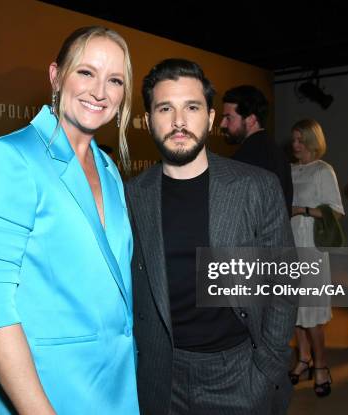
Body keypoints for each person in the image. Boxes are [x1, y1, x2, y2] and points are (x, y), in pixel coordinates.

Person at [0, 26, 138, 415]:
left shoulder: (108, 168)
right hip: (48, 389)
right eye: (86, 72)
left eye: (115, 80)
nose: (100, 92)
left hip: (119, 386)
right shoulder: (6, 158)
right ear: (56, 76)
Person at [128, 58, 297, 415]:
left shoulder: (256, 186)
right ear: (147, 120)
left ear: (209, 116)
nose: (178, 121)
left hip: (238, 372)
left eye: (192, 107)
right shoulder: (131, 196)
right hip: (160, 376)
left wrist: (266, 366)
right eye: (165, 108)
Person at [287, 119, 344, 397]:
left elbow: (336, 212)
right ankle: (303, 359)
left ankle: (321, 364)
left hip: (311, 248)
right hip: (290, 247)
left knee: (312, 313)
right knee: (296, 311)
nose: (295, 145)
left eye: (300, 140)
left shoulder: (324, 170)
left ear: (312, 141)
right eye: (293, 140)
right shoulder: (289, 170)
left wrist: (302, 210)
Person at [220, 85, 293, 215]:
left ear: (251, 120)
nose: (222, 124)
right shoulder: (274, 150)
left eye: (228, 118)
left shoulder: (248, 157)